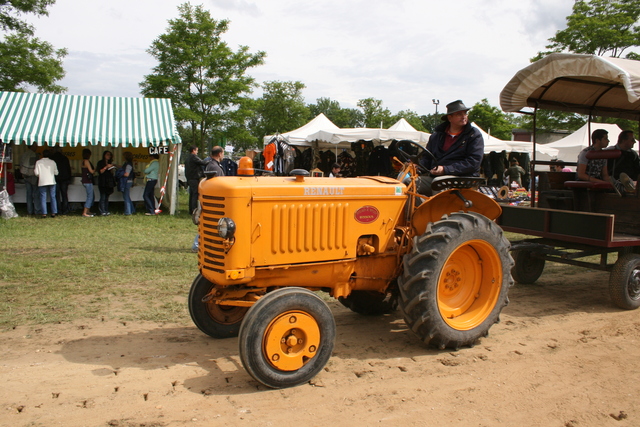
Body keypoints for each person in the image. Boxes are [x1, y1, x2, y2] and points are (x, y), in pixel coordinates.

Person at [416, 100, 484, 196]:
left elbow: (474, 162)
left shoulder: (473, 134)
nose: (464, 116)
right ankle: (415, 210)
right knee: (408, 183)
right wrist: (417, 166)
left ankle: (439, 211)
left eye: (465, 113)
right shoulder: (436, 136)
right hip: (436, 178)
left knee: (438, 183)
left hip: (462, 178)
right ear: (450, 118)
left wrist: (445, 169)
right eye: (459, 114)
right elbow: (427, 158)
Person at [193, 146, 225, 252]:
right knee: (209, 223)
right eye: (223, 153)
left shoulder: (210, 164)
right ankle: (197, 244)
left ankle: (199, 244)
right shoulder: (215, 167)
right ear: (220, 154)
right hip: (215, 201)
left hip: (210, 200)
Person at [34, 149, 59, 218]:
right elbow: (56, 172)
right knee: (53, 197)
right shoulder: (52, 162)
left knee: (43, 197)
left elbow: (36, 173)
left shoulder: (38, 162)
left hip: (42, 181)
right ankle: (53, 212)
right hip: (51, 181)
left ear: (42, 154)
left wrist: (41, 175)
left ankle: (44, 213)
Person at [19, 142, 41, 216]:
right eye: (36, 146)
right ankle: (37, 210)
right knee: (36, 194)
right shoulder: (34, 154)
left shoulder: (24, 154)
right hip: (33, 176)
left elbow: (21, 164)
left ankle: (29, 210)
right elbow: (34, 166)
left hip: (25, 176)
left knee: (29, 194)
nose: (37, 147)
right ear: (33, 146)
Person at [185, 145, 208, 214]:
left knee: (191, 194)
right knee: (195, 194)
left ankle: (191, 210)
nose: (197, 152)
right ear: (193, 150)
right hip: (194, 177)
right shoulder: (194, 157)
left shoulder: (187, 158)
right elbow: (203, 163)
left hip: (189, 178)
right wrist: (209, 161)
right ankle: (194, 210)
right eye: (197, 150)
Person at [51, 145, 72, 215]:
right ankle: (65, 210)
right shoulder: (65, 158)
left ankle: (58, 210)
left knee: (57, 195)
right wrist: (69, 178)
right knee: (64, 195)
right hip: (64, 179)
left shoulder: (52, 158)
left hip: (56, 179)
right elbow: (68, 169)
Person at [97, 150, 117, 216]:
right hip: (102, 181)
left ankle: (106, 210)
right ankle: (102, 211)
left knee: (107, 197)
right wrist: (106, 167)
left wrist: (111, 168)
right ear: (104, 155)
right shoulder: (100, 163)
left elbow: (111, 173)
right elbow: (100, 172)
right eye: (107, 155)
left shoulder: (110, 162)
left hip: (109, 181)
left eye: (110, 155)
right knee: (103, 197)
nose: (109, 156)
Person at [81, 148, 96, 217]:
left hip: (85, 181)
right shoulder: (86, 161)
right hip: (88, 181)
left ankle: (88, 211)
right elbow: (91, 171)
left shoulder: (83, 161)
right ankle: (85, 212)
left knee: (91, 196)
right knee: (90, 196)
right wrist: (96, 168)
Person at [122, 151, 136, 215]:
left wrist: (120, 173)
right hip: (129, 181)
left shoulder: (128, 165)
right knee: (127, 196)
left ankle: (128, 212)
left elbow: (127, 174)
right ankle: (132, 209)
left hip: (127, 181)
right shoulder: (128, 164)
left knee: (126, 197)